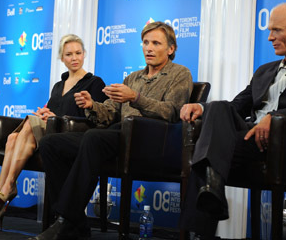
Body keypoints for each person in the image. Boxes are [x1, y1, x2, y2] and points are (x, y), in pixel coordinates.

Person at [30, 21, 193, 240]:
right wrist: (91, 105)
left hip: (149, 140)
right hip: (117, 135)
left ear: (171, 49)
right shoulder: (133, 77)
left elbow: (172, 111)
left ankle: (66, 222)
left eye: (156, 43)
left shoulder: (180, 74)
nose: (149, 48)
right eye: (145, 42)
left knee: (94, 137)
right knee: (51, 144)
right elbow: (109, 112)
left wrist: (135, 97)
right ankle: (74, 222)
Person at [179, 2, 286, 239]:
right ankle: (212, 187)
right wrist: (202, 107)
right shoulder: (264, 70)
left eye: (277, 30)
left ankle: (199, 234)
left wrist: (276, 117)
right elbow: (235, 107)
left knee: (204, 155)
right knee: (217, 108)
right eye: (270, 31)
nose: (269, 37)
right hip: (247, 136)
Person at [0, 34, 108, 231]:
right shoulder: (58, 86)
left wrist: (54, 117)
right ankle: (4, 193)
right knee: (12, 137)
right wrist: (44, 114)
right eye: (69, 54)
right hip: (49, 132)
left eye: (78, 53)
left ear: (85, 54)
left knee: (26, 126)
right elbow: (52, 110)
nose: (74, 58)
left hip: (69, 136)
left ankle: (0, 198)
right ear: (62, 58)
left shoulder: (94, 82)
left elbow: (95, 119)